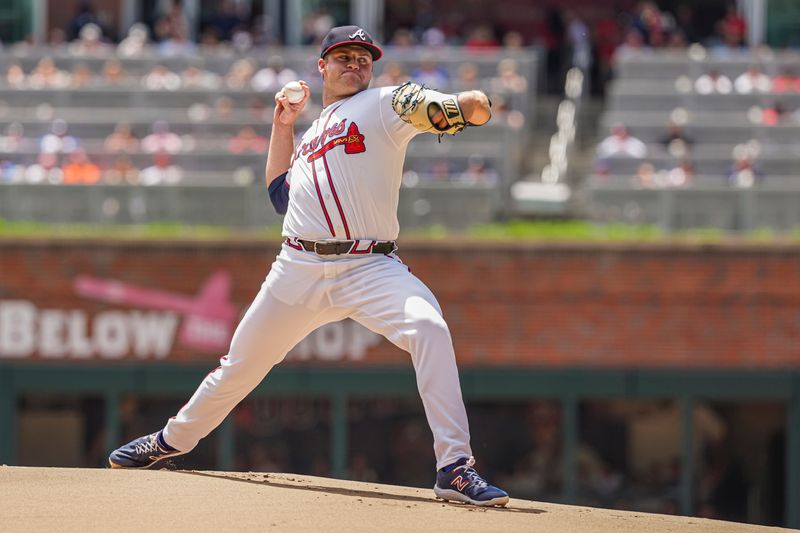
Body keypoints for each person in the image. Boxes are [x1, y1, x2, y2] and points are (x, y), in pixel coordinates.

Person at [108, 25, 509, 508]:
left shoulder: (385, 104)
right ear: (322, 66)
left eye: (363, 57)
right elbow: (279, 194)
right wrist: (283, 124)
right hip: (297, 267)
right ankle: (170, 441)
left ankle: (455, 468)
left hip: (369, 264)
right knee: (240, 365)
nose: (355, 64)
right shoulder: (312, 132)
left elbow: (461, 108)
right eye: (343, 56)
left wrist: (467, 104)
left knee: (429, 327)